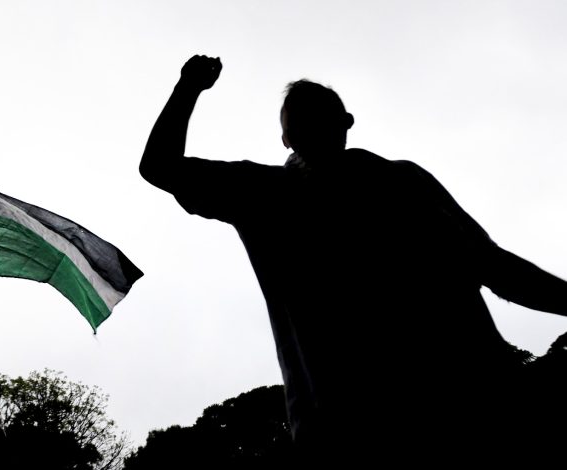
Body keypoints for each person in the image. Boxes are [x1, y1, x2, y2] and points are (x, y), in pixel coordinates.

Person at [140, 55, 567, 459]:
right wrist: (188, 87)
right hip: (368, 425)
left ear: (345, 122)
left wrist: (189, 86)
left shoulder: (402, 182)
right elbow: (158, 166)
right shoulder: (265, 193)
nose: (311, 124)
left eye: (318, 114)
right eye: (301, 118)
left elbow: (492, 265)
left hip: (469, 406)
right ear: (289, 138)